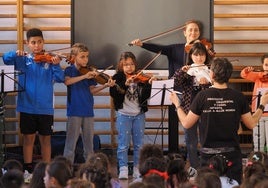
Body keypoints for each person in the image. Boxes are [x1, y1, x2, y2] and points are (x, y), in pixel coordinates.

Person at [169, 57, 268, 184]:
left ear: (212, 74)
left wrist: (177, 105)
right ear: (229, 75)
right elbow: (252, 123)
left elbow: (187, 123)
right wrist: (262, 104)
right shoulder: (238, 96)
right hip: (233, 155)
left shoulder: (202, 96)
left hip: (208, 157)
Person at [130, 19, 205, 159]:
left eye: (196, 30)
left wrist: (204, 51)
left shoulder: (202, 50)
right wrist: (142, 44)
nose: (193, 33)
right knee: (186, 130)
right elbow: (159, 48)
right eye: (190, 30)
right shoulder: (175, 48)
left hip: (197, 94)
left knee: (201, 129)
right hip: (177, 93)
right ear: (184, 32)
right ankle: (184, 158)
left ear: (199, 33)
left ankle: (197, 158)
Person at [2, 28, 64, 173]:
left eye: (40, 42)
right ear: (27, 43)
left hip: (45, 107)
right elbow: (6, 59)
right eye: (33, 43)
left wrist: (56, 64)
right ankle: (28, 170)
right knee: (28, 139)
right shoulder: (23, 60)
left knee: (46, 140)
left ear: (43, 42)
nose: (37, 45)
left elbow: (61, 78)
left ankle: (47, 170)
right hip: (27, 107)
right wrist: (14, 53)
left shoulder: (49, 61)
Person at [63, 43, 115, 164]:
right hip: (74, 111)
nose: (85, 59)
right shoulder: (69, 70)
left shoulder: (90, 73)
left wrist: (106, 85)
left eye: (87, 56)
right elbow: (68, 82)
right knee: (70, 144)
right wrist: (84, 76)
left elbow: (92, 90)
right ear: (74, 57)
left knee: (89, 145)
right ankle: (66, 169)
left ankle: (90, 169)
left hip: (88, 111)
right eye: (82, 56)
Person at [109, 52, 154, 179]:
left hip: (138, 114)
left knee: (139, 144)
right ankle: (123, 168)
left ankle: (137, 168)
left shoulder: (140, 78)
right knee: (123, 144)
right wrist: (124, 85)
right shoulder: (118, 77)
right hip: (123, 114)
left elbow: (146, 96)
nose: (129, 67)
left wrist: (149, 84)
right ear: (121, 65)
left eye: (132, 64)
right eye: (126, 65)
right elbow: (114, 94)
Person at [172, 41, 212, 169]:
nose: (199, 58)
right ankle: (193, 167)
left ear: (206, 56)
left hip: (206, 109)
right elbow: (177, 81)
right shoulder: (188, 69)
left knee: (206, 138)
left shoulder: (210, 70)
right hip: (189, 107)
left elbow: (214, 89)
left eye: (202, 55)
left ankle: (206, 165)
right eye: (196, 55)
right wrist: (182, 71)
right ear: (191, 56)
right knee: (191, 140)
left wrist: (206, 84)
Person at [240, 54, 268, 152]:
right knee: (258, 143)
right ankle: (258, 164)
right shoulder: (258, 75)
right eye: (266, 65)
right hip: (258, 113)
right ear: (262, 65)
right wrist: (247, 70)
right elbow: (243, 75)